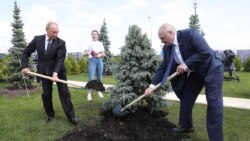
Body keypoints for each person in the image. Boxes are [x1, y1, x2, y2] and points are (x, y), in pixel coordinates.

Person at [144, 23, 224, 141]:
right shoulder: (167, 48)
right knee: (186, 97)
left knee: (213, 103)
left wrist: (186, 64)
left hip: (212, 68)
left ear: (170, 33)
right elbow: (163, 67)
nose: (161, 41)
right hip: (196, 72)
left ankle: (216, 139)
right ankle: (186, 126)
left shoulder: (190, 34)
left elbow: (206, 52)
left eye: (162, 38)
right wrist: (151, 86)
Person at [21, 22, 78, 125]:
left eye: (57, 32)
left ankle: (72, 117)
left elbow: (60, 59)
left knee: (64, 94)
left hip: (59, 72)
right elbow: (26, 52)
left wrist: (55, 73)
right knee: (46, 95)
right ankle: (50, 114)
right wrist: (24, 66)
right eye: (53, 32)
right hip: (44, 72)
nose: (56, 34)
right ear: (46, 30)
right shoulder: (37, 39)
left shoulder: (61, 43)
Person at [84, 30, 105, 101]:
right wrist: (89, 52)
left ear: (97, 35)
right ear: (91, 35)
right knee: (91, 78)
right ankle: (89, 94)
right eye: (93, 34)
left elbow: (103, 54)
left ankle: (99, 91)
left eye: (95, 34)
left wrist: (100, 55)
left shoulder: (100, 43)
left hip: (99, 61)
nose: (94, 35)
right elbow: (84, 53)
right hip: (92, 61)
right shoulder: (89, 43)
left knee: (100, 77)